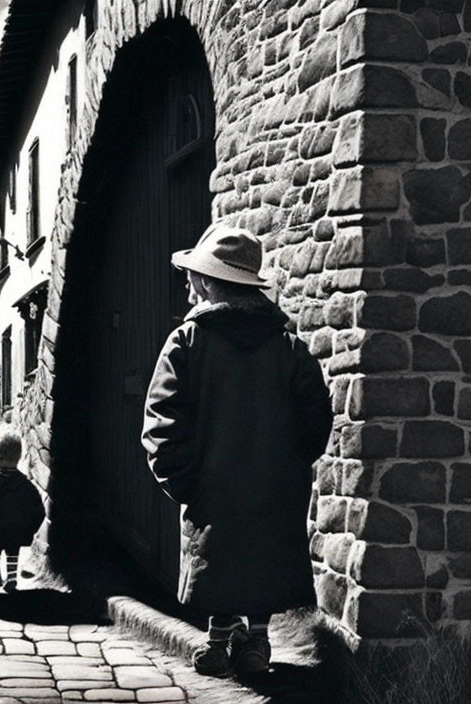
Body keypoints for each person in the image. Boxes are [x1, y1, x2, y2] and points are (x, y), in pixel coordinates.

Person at [142, 222, 333, 677]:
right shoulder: (288, 347)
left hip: (212, 489)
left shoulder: (186, 343)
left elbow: (161, 420)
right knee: (263, 562)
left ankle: (217, 642)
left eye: (195, 277)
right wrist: (289, 467)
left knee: (219, 564)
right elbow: (316, 416)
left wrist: (184, 480)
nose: (190, 285)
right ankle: (258, 643)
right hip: (274, 489)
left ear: (208, 281)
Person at [0, 426, 45, 592]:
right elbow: (38, 510)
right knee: (13, 552)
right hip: (16, 530)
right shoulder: (26, 487)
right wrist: (29, 528)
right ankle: (11, 578)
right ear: (18, 457)